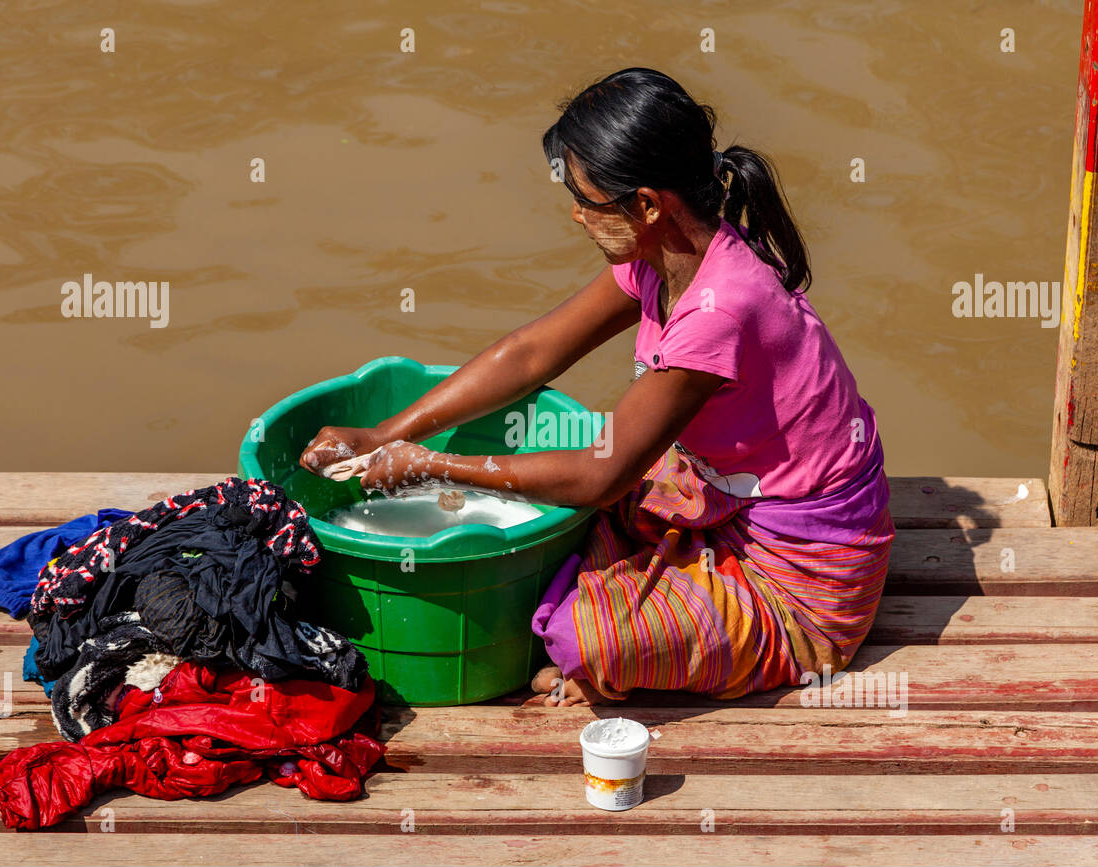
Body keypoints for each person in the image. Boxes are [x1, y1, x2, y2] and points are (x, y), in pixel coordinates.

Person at [299, 67, 894, 708]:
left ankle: (697, 624)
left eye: (585, 199)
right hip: (719, 486)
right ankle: (668, 584)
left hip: (803, 569)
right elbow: (530, 355)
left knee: (580, 630)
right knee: (564, 515)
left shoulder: (718, 310)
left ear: (645, 204)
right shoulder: (669, 255)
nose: (577, 216)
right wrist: (383, 434)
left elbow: (599, 477)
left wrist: (433, 468)